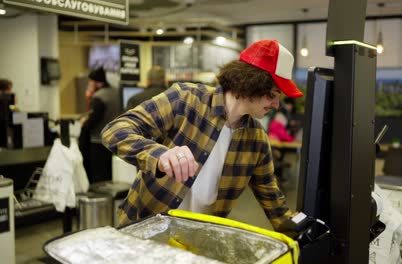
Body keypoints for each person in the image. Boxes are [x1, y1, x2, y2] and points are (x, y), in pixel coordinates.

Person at [101, 39, 304, 232]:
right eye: (272, 94)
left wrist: (299, 230)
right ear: (251, 83)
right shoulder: (186, 99)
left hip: (198, 240)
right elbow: (116, 129)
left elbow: (271, 197)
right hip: (144, 228)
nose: (276, 104)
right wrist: (159, 155)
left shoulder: (257, 139)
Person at [79, 67, 119, 183]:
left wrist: (84, 122)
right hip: (114, 142)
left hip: (98, 143)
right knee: (110, 176)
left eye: (90, 82)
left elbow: (92, 122)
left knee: (99, 178)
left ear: (96, 82)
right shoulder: (116, 92)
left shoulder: (99, 97)